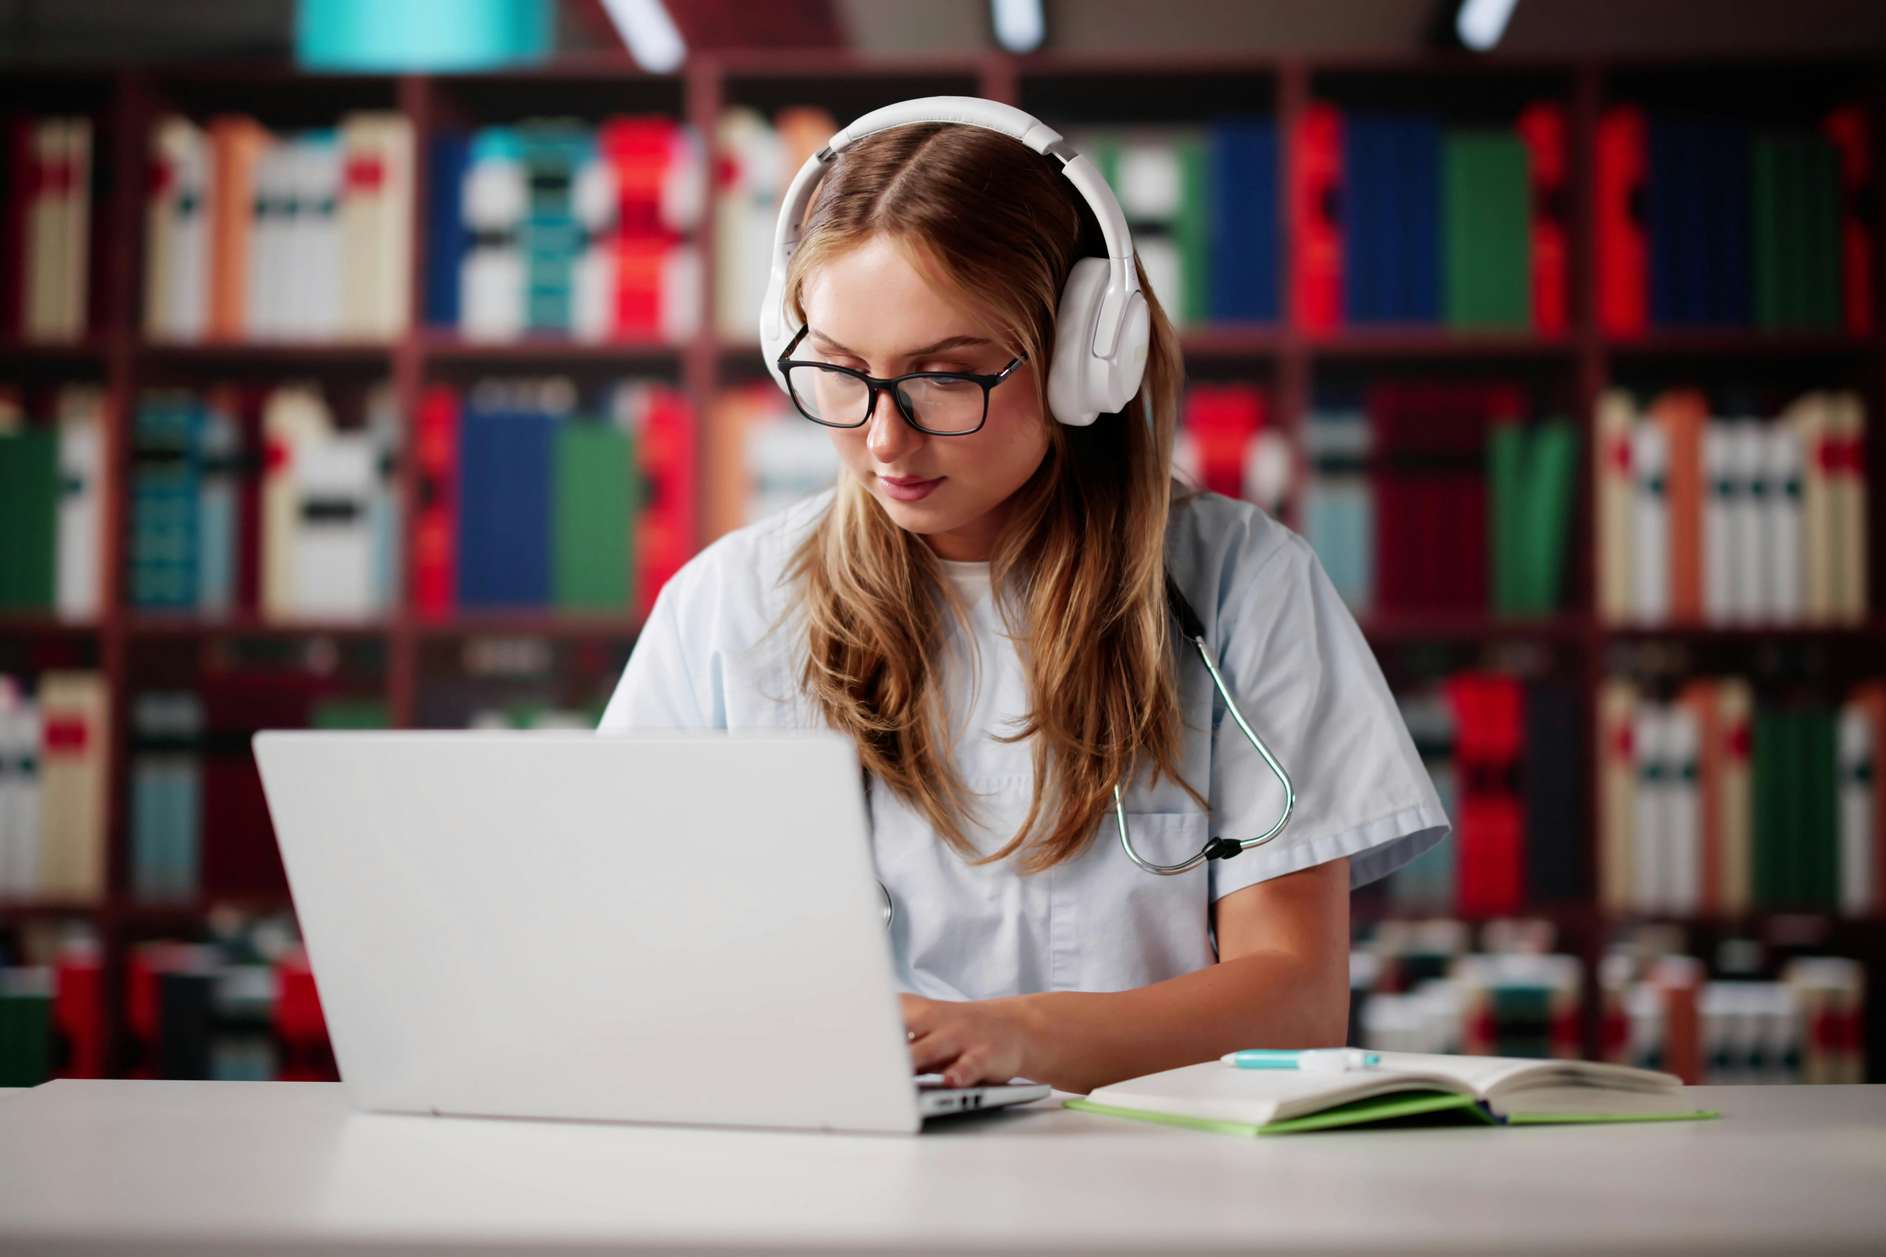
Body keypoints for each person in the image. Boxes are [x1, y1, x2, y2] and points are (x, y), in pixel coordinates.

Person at [598, 100, 1450, 1095]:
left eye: (945, 377)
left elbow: (1293, 1000)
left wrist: (1018, 1036)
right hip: (831, 1176)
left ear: (1089, 355)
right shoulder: (726, 608)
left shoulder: (1241, 586)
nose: (883, 439)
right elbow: (626, 958)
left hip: (1148, 1175)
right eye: (838, 371)